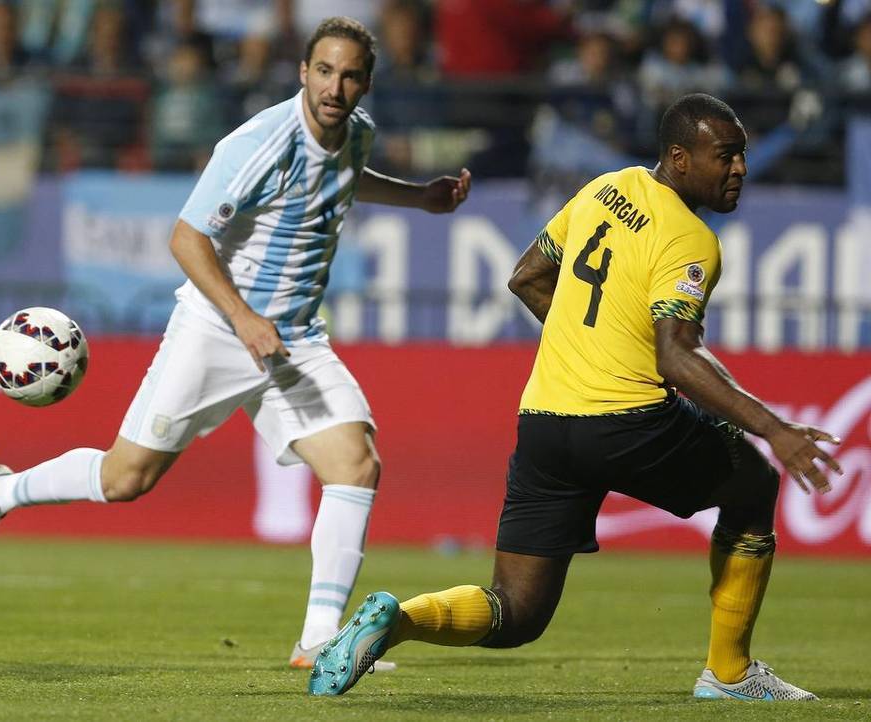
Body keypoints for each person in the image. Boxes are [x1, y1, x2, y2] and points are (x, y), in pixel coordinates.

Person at [0, 16, 472, 671]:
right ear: (304, 72)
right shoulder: (260, 143)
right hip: (219, 330)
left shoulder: (356, 134)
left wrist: (422, 199)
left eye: (350, 75)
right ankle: (0, 494)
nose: (336, 86)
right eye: (324, 71)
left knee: (356, 466)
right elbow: (187, 238)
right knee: (125, 478)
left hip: (291, 342)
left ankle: (318, 641)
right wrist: (244, 318)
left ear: (365, 82)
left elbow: (346, 177)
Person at [307, 93, 841, 701]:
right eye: (726, 156)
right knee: (753, 486)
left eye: (741, 156)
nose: (740, 168)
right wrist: (776, 429)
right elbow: (677, 355)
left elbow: (526, 276)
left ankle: (396, 620)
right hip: (627, 422)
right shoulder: (691, 239)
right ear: (679, 157)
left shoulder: (603, 190)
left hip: (546, 424)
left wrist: (592, 343)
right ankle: (730, 674)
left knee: (517, 611)